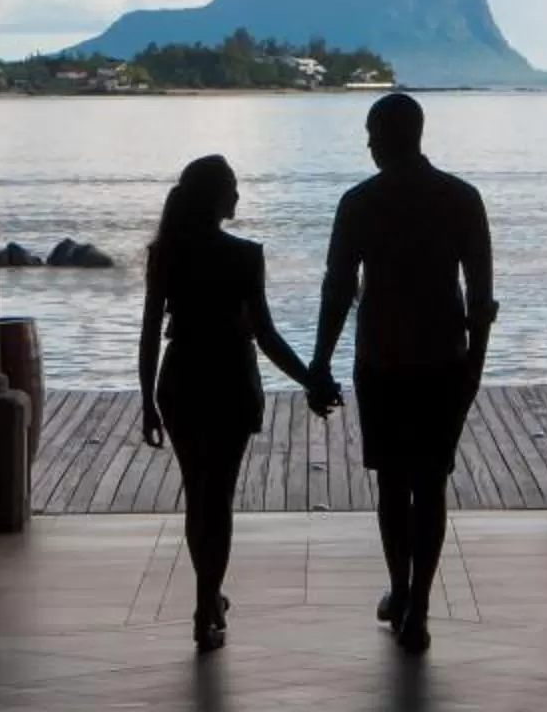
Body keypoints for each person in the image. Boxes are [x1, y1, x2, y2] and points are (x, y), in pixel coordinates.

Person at [311, 92, 494, 653]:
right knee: (430, 483)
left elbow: (338, 289)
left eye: (371, 133)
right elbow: (482, 298)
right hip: (444, 358)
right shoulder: (461, 199)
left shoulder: (360, 202)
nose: (367, 144)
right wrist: (474, 369)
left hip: (381, 359)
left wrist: (320, 361)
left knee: (392, 483)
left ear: (388, 136)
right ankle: (420, 601)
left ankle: (400, 590)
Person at [138, 154, 329, 651]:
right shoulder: (245, 256)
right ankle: (206, 605)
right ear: (217, 197)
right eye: (234, 188)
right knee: (217, 499)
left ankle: (208, 599)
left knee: (196, 494)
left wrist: (145, 401)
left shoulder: (166, 253)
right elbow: (265, 335)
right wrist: (311, 379)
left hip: (179, 379)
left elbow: (148, 335)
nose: (239, 197)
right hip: (229, 379)